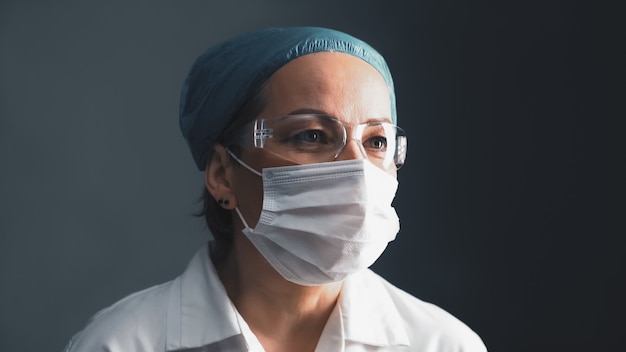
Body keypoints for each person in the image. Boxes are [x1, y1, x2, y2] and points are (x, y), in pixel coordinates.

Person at [64, 26, 487, 352]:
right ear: (222, 174)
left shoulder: (442, 344)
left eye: (376, 141)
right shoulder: (123, 343)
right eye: (311, 136)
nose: (357, 169)